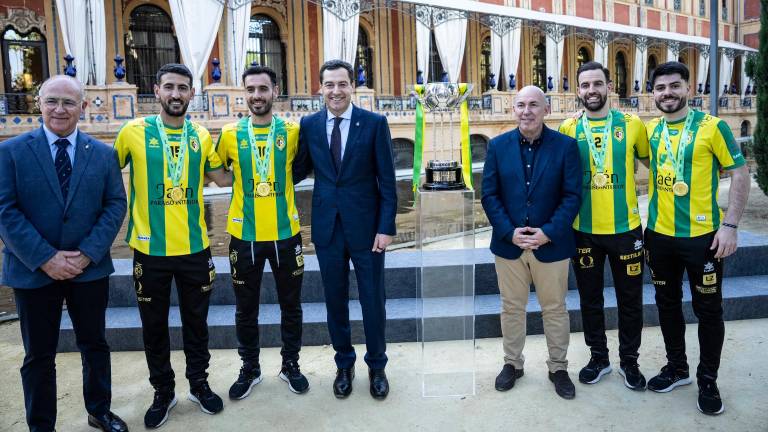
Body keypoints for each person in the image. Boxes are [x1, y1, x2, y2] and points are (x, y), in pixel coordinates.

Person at [0, 75, 127, 432]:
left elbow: (115, 205)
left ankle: (99, 410)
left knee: (95, 344)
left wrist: (87, 254)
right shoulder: (10, 152)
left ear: (82, 107)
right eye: (52, 101)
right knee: (39, 355)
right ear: (39, 103)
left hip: (89, 269)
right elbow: (5, 211)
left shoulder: (103, 154)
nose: (59, 109)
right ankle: (41, 425)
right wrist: (46, 258)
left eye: (69, 102)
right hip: (33, 271)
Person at [113, 63, 231, 428]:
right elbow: (103, 174)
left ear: (191, 93)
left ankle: (199, 384)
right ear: (157, 90)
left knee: (197, 323)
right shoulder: (133, 131)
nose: (176, 94)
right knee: (154, 326)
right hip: (149, 252)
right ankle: (163, 391)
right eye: (169, 87)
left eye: (183, 88)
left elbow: (220, 176)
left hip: (195, 249)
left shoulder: (201, 135)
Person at [644, 61, 749, 415]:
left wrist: (730, 225)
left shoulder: (712, 127)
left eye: (675, 85)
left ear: (689, 88)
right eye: (660, 88)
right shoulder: (652, 131)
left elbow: (739, 172)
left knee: (708, 310)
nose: (667, 93)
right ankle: (678, 368)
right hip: (658, 236)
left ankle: (708, 379)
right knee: (666, 304)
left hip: (703, 238)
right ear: (653, 94)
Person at [295, 59, 397, 400]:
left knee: (373, 300)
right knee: (334, 301)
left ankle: (377, 366)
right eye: (329, 84)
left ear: (352, 86)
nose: (335, 91)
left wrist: (386, 227)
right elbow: (296, 170)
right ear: (320, 88)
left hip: (368, 231)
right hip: (327, 229)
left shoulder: (374, 123)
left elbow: (388, 180)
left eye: (342, 84)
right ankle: (344, 364)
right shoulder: (308, 125)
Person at [482, 85, 581, 400]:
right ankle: (512, 364)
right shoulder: (497, 147)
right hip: (509, 245)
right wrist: (509, 231)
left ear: (546, 110)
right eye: (521, 105)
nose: (527, 111)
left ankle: (558, 367)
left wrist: (547, 231)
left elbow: (572, 196)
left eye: (534, 105)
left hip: (550, 245)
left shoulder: (566, 147)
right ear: (514, 110)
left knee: (554, 308)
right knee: (512, 308)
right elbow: (490, 195)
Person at [216, 65, 309, 399]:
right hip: (245, 238)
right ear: (245, 93)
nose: (257, 95)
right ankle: (250, 368)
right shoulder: (229, 134)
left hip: (286, 234)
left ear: (275, 90)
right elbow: (219, 172)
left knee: (291, 305)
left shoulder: (293, 131)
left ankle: (291, 365)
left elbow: (301, 167)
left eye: (263, 89)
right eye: (251, 89)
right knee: (245, 308)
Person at [558, 61, 650, 390]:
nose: (592, 90)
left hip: (626, 230)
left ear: (609, 87)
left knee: (630, 300)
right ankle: (599, 358)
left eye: (598, 83)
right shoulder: (568, 128)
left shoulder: (633, 124)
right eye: (585, 85)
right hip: (584, 231)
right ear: (578, 91)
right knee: (589, 299)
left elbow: (653, 164)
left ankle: (630, 361)